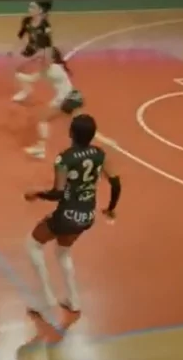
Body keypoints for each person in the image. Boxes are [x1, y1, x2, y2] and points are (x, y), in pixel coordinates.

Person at [23, 114, 121, 338]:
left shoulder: (64, 159)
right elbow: (116, 183)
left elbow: (58, 193)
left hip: (66, 214)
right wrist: (110, 208)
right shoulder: (100, 154)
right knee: (62, 252)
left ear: (71, 134)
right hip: (87, 215)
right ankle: (73, 300)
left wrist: (36, 194)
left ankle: (45, 299)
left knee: (32, 244)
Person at [24, 47, 85, 159]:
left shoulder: (53, 69)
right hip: (73, 97)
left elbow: (32, 78)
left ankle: (41, 149)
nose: (42, 57)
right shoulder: (51, 68)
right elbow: (32, 78)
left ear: (52, 59)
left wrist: (19, 73)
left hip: (65, 99)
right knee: (77, 125)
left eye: (45, 55)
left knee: (42, 119)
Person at [11, 0, 53, 103]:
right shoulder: (26, 21)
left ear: (40, 10)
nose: (30, 9)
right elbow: (21, 35)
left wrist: (47, 58)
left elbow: (48, 43)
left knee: (40, 73)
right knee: (18, 70)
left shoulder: (45, 25)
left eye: (33, 7)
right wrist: (13, 49)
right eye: (29, 7)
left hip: (41, 51)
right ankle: (27, 89)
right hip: (30, 49)